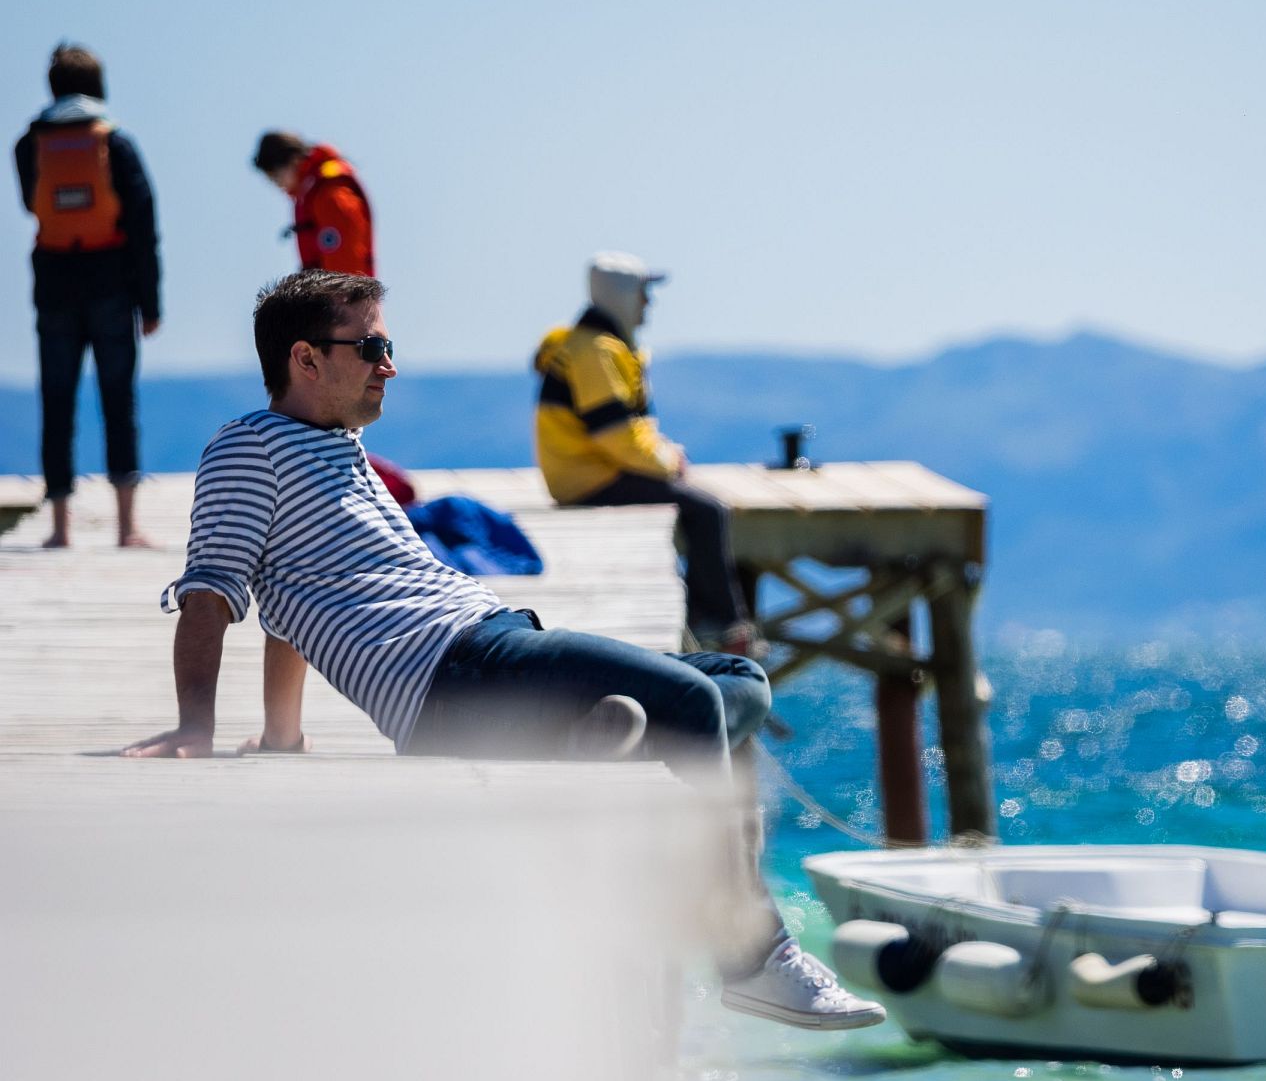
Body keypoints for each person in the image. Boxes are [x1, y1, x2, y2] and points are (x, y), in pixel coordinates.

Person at [121, 270, 880, 1032]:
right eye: (372, 346)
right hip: (450, 679)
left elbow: (290, 600)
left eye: (390, 345)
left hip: (493, 646)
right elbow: (213, 590)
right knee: (692, 703)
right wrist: (196, 728)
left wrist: (282, 732)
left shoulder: (338, 450)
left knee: (737, 677)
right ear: (306, 360)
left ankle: (600, 749)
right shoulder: (249, 449)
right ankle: (753, 960)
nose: (390, 365)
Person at [534, 253, 758, 653]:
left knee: (698, 506)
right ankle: (722, 626)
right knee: (708, 511)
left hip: (584, 472)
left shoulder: (592, 345)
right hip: (590, 478)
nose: (648, 304)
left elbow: (623, 430)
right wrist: (668, 462)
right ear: (622, 295)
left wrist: (662, 455)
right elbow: (615, 434)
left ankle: (708, 618)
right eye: (643, 293)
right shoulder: (597, 352)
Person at [14, 43, 161, 548]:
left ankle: (59, 529)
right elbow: (144, 225)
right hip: (112, 287)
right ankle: (126, 527)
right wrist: (151, 301)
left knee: (57, 403)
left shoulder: (28, 143)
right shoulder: (116, 142)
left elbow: (30, 206)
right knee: (118, 402)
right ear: (99, 86)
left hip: (54, 286)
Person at [251, 131, 375, 276]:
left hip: (344, 294)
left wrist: (340, 297)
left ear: (294, 161)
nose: (278, 185)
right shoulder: (314, 193)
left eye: (275, 176)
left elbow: (346, 258)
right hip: (334, 293)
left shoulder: (329, 193)